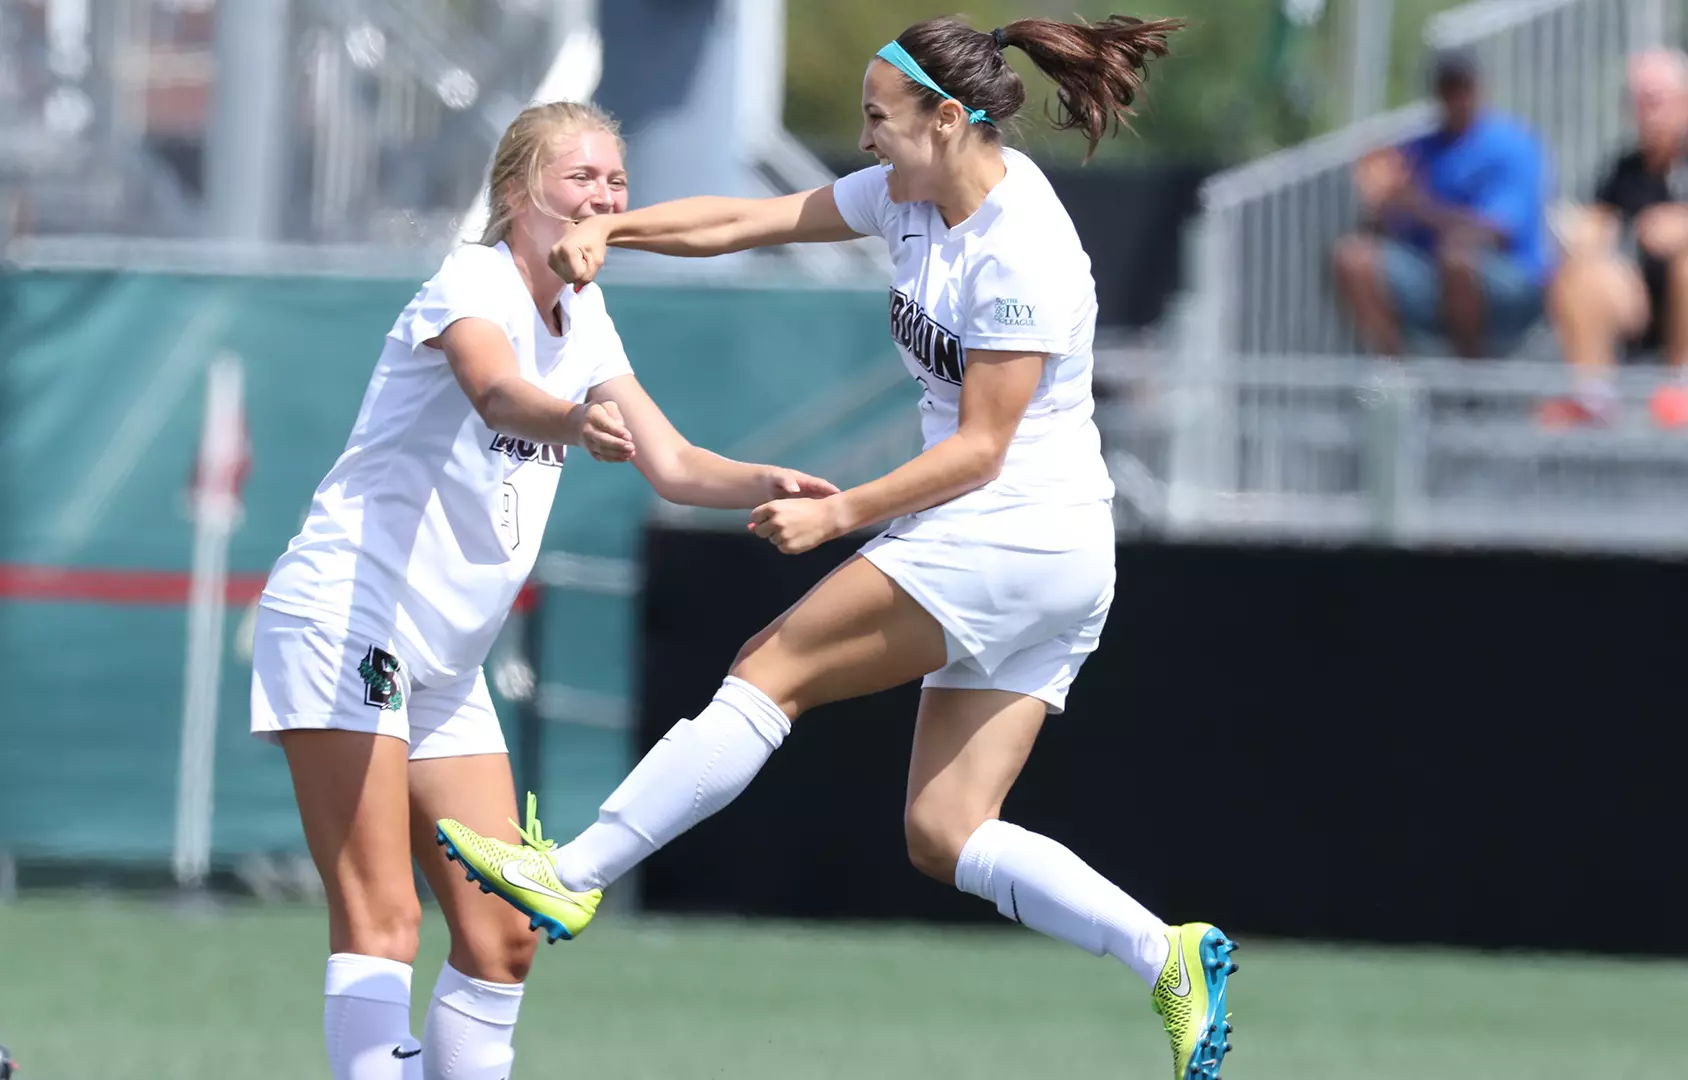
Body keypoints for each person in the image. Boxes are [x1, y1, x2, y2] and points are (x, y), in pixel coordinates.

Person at [433, 16, 1241, 1080]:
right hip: (1041, 552)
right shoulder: (913, 195)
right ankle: (1167, 953)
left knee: (771, 669)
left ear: (948, 123)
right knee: (947, 831)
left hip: (1014, 532)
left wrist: (840, 512)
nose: (864, 141)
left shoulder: (1022, 247)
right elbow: (746, 217)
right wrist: (613, 237)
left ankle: (574, 873)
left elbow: (983, 451)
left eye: (878, 120)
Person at [250, 101, 836, 1080]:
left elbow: (677, 463)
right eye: (580, 179)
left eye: (615, 181)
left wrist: (766, 482)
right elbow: (495, 391)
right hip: (349, 618)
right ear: (520, 194)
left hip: (443, 663)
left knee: (504, 936)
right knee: (383, 917)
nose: (602, 197)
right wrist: (571, 419)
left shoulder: (588, 316)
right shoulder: (473, 277)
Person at [1541, 49, 1688, 428]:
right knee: (1580, 276)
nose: (1647, 112)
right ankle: (1592, 396)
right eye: (1638, 102)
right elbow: (1599, 222)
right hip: (1644, 301)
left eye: (1656, 100)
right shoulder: (1624, 167)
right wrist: (1582, 235)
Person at [1333, 49, 1554, 359]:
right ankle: (1394, 380)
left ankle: (1467, 383)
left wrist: (1414, 204)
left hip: (1510, 282)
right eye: (1447, 87)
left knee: (1456, 257)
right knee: (1353, 257)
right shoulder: (1417, 149)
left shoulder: (1514, 144)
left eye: (1462, 86)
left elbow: (1495, 232)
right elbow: (1380, 230)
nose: (1455, 96)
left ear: (1478, 88)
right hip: (1431, 275)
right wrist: (1379, 200)